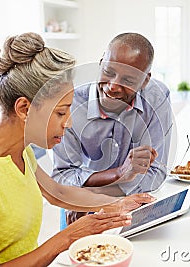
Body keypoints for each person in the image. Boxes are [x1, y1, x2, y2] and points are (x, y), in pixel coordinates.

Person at [0, 32, 155, 267]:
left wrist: (116, 205)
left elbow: (57, 193)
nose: (69, 123)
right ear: (24, 109)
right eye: (61, 112)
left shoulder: (19, 150)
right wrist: (68, 237)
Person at [51, 33, 172, 225]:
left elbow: (155, 172)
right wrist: (91, 200)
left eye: (129, 80)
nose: (113, 86)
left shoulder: (158, 98)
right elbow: (63, 175)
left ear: (145, 81)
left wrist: (97, 197)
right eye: (108, 71)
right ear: (101, 63)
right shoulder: (71, 102)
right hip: (80, 205)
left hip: (124, 203)